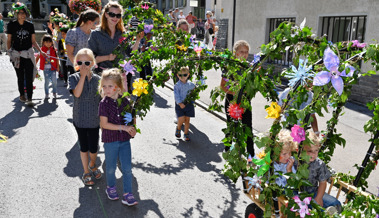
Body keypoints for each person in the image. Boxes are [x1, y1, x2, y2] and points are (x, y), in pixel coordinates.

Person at [98, 68, 138, 206]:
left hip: (124, 141)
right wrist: (123, 128)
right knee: (110, 168)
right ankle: (111, 187)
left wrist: (132, 129)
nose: (107, 89)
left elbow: (131, 119)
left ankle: (128, 194)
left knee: (127, 168)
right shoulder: (104, 104)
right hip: (110, 141)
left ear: (118, 87)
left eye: (110, 86)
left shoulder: (126, 102)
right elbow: (104, 124)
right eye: (104, 86)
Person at [68, 48, 102, 186]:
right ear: (76, 63)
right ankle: (86, 171)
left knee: (94, 147)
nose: (83, 66)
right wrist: (82, 76)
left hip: (94, 119)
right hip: (80, 118)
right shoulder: (73, 77)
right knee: (84, 147)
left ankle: (93, 164)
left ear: (93, 63)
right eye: (80, 62)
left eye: (87, 63)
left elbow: (103, 98)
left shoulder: (99, 79)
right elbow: (77, 94)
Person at [220, 40, 255, 157]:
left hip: (245, 102)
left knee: (248, 127)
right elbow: (223, 87)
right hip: (232, 101)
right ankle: (227, 150)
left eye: (246, 52)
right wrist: (237, 92)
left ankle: (251, 155)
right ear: (235, 53)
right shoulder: (229, 66)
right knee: (231, 126)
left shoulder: (250, 68)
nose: (244, 54)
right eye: (241, 52)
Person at [89, 1, 143, 74]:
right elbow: (90, 58)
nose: (115, 18)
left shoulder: (122, 33)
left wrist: (138, 40)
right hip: (101, 76)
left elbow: (131, 53)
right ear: (106, 15)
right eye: (112, 14)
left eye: (118, 15)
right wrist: (107, 57)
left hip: (120, 75)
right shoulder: (96, 34)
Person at [7, 3, 45, 105]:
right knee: (20, 76)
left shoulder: (30, 25)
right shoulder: (11, 25)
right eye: (20, 13)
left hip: (28, 53)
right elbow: (9, 40)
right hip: (16, 54)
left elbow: (33, 41)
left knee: (29, 76)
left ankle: (30, 98)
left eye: (24, 13)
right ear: (16, 14)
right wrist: (9, 52)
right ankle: (22, 95)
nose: (22, 15)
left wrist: (40, 51)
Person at [303, 131, 341, 212]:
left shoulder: (319, 164)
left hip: (314, 192)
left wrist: (319, 198)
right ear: (301, 149)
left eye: (316, 150)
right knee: (316, 208)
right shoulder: (296, 162)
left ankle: (332, 211)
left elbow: (323, 182)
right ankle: (325, 213)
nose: (313, 154)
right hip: (300, 194)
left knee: (336, 203)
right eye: (310, 151)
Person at [66, 9, 100, 75]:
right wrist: (78, 67)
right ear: (90, 22)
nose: (98, 25)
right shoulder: (73, 32)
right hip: (76, 69)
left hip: (90, 69)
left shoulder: (94, 34)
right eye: (97, 22)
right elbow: (70, 54)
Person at [174, 66, 195, 141]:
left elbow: (194, 91)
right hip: (180, 105)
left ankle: (186, 134)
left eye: (185, 75)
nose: (182, 77)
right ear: (177, 75)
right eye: (180, 75)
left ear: (188, 75)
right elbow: (176, 95)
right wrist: (179, 103)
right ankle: (178, 128)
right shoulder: (177, 85)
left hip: (188, 104)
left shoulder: (191, 85)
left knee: (187, 120)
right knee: (181, 119)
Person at [35, 34, 59, 99]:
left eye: (49, 42)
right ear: (43, 42)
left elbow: (57, 59)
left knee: (54, 81)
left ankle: (54, 92)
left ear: (52, 42)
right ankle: (47, 93)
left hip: (53, 68)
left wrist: (58, 67)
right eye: (46, 42)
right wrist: (34, 66)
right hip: (46, 69)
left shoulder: (54, 49)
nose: (48, 43)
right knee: (47, 81)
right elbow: (37, 58)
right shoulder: (41, 50)